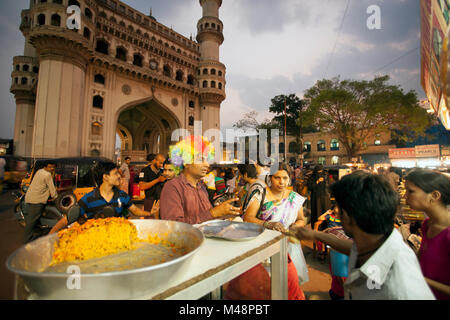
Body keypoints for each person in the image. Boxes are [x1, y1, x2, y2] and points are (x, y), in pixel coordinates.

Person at [291, 171, 435, 300]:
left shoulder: (398, 288)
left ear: (346, 216)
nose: (336, 213)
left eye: (338, 209)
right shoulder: (375, 241)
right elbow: (353, 248)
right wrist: (316, 235)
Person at [227, 163, 307, 300]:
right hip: (263, 248)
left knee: (287, 286)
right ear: (270, 178)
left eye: (285, 178)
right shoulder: (261, 194)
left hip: (288, 247)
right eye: (277, 178)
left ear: (289, 179)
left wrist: (294, 228)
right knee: (261, 287)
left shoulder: (294, 197)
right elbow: (248, 218)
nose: (281, 182)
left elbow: (301, 219)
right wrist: (268, 224)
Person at [50, 161, 158, 234]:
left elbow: (135, 210)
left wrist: (150, 213)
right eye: (115, 173)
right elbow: (66, 220)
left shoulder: (122, 196)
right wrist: (48, 238)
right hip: (98, 241)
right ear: (105, 177)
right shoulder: (88, 198)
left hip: (119, 237)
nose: (119, 176)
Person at [160, 136, 241, 224]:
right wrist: (213, 213)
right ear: (186, 163)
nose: (207, 164)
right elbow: (173, 225)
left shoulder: (202, 187)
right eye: (200, 159)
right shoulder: (173, 187)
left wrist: (224, 214)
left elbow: (206, 219)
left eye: (206, 159)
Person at [404, 169, 450, 300]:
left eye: (411, 191)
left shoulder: (447, 234)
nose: (405, 196)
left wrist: (419, 279)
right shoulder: (427, 225)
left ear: (434, 196)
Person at [23, 161, 58, 243]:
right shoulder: (47, 175)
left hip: (30, 197)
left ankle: (36, 234)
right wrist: (56, 198)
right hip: (37, 200)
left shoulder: (39, 171)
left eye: (53, 167)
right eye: (50, 167)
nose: (52, 169)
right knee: (32, 221)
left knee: (32, 220)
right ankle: (27, 240)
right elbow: (52, 190)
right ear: (45, 167)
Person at [307, 164, 331, 228]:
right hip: (315, 198)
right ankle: (316, 228)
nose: (319, 173)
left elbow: (329, 186)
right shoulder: (312, 177)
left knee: (325, 212)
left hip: (324, 197)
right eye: (318, 172)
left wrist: (325, 182)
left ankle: (326, 227)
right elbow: (310, 187)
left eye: (321, 171)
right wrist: (317, 181)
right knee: (316, 212)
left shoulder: (325, 176)